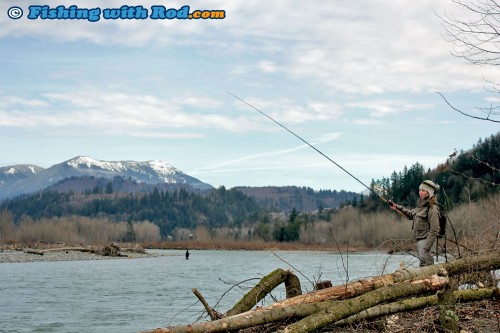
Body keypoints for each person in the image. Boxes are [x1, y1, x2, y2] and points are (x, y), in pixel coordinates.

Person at [389, 180, 440, 267]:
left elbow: (435, 230)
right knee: (423, 264)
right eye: (420, 190)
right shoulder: (420, 207)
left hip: (426, 240)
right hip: (420, 240)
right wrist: (396, 207)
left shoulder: (433, 208)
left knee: (427, 264)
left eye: (423, 191)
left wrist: (427, 246)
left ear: (430, 193)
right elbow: (410, 214)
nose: (420, 192)